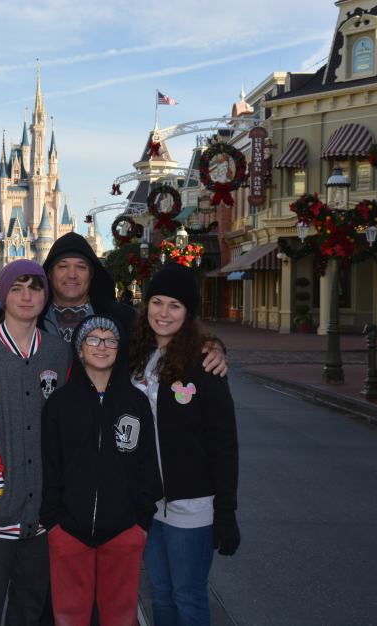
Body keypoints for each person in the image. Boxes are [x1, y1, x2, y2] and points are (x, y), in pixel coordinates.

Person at [0, 259, 71, 626]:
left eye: (34, 287)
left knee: (30, 604)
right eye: (17, 288)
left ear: (45, 295)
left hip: (38, 511)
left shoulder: (58, 353)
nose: (26, 296)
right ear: (3, 295)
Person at [128, 264, 240, 626]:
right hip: (148, 503)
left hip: (190, 506)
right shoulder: (136, 358)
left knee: (187, 597)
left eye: (174, 305)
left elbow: (223, 443)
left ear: (188, 312)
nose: (163, 313)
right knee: (160, 594)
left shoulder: (204, 365)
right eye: (156, 302)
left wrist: (226, 511)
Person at [41, 315, 161, 625]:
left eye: (110, 340)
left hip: (124, 531)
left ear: (119, 349)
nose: (102, 346)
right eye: (93, 339)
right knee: (69, 616)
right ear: (80, 350)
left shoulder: (135, 403)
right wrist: (53, 521)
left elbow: (147, 463)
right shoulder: (60, 403)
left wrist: (141, 521)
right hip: (68, 532)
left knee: (119, 616)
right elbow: (50, 464)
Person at [40, 232, 228, 376]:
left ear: (92, 274)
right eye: (62, 266)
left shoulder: (120, 317)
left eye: (81, 267)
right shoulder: (33, 320)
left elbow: (165, 332)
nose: (72, 274)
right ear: (49, 273)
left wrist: (211, 345)